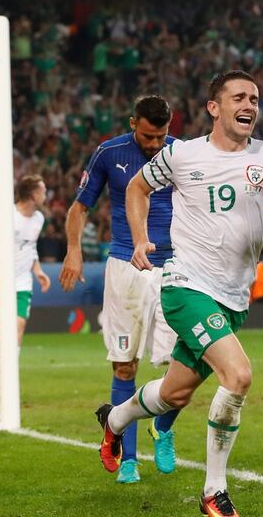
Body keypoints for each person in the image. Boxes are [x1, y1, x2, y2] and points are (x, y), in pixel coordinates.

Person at [95, 70, 263, 517]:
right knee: (239, 375)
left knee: (174, 395)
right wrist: (139, 237)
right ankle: (214, 492)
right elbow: (137, 186)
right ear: (215, 107)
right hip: (185, 285)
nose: (249, 104)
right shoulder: (182, 155)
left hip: (234, 297)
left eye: (254, 98)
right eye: (239, 97)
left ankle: (114, 420)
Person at [60, 95, 181, 484]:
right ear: (133, 124)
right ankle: (128, 457)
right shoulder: (109, 152)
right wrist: (73, 250)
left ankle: (162, 427)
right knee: (125, 364)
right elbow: (81, 207)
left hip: (175, 267)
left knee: (185, 365)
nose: (153, 144)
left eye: (160, 135)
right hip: (126, 265)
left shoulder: (182, 153)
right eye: (147, 136)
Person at [0, 174, 51, 348]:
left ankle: (12, 375)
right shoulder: (6, 216)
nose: (46, 195)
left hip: (21, 282)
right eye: (43, 191)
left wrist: (38, 271)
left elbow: (29, 247)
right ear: (32, 195)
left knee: (18, 326)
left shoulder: (38, 219)